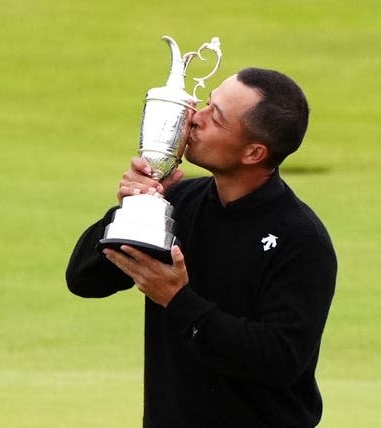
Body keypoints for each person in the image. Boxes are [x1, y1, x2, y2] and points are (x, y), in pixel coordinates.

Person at [66, 67, 337, 427]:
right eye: (208, 103)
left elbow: (279, 360)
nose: (195, 118)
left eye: (216, 118)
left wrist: (178, 301)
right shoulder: (180, 202)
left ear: (254, 152)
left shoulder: (301, 241)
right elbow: (85, 280)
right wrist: (130, 208)